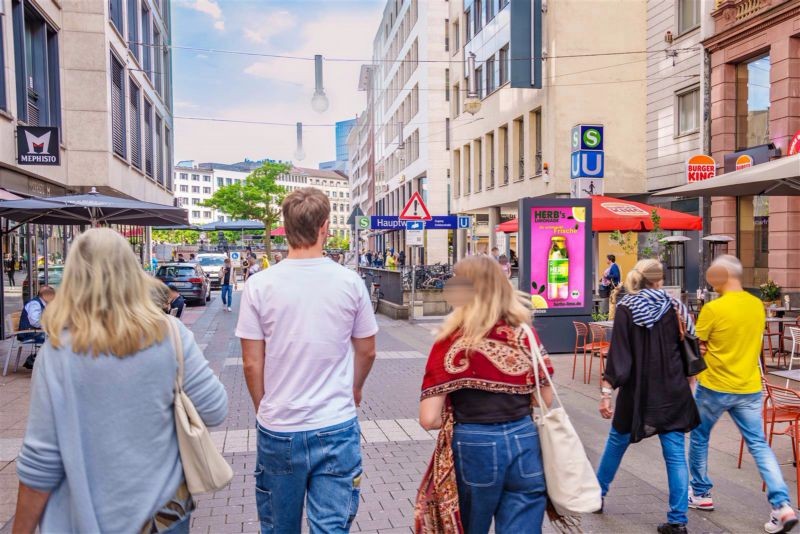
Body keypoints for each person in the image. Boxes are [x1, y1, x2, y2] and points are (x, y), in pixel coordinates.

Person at [13, 228, 227, 534]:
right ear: (132, 272)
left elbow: (42, 457)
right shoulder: (169, 333)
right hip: (164, 514)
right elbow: (216, 409)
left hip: (89, 517)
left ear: (73, 277)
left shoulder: (58, 350)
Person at [236, 188, 378, 533]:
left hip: (280, 426)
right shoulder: (350, 282)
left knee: (280, 526)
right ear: (325, 227)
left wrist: (264, 406)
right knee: (331, 527)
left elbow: (252, 363)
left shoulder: (259, 285)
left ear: (284, 228)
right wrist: (354, 388)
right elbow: (367, 349)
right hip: (335, 422)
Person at [416, 256, 554, 533]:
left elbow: (428, 418)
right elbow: (544, 399)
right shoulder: (524, 334)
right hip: (525, 440)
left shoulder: (450, 341)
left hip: (474, 443)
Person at [688, 255, 798, 534]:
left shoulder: (713, 308)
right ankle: (782, 506)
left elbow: (697, 345)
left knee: (700, 438)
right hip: (749, 387)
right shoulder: (756, 306)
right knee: (759, 445)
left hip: (714, 386)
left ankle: (701, 494)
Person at [595, 259, 699, 534]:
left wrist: (607, 392)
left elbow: (619, 356)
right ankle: (678, 520)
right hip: (673, 389)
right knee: (676, 454)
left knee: (617, 441)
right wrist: (690, 385)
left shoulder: (627, 308)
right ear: (660, 279)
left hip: (637, 391)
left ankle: (597, 495)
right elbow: (692, 340)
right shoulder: (676, 305)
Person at [19, 286, 56, 369]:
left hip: (35, 331)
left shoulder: (43, 303)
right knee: (56, 339)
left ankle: (49, 364)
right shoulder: (35, 304)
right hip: (29, 334)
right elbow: (35, 322)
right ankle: (48, 365)